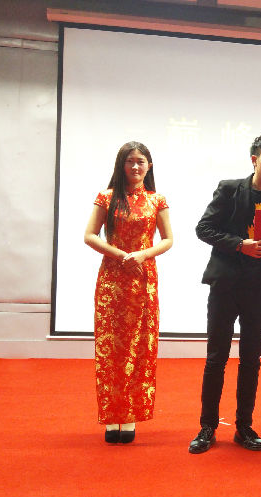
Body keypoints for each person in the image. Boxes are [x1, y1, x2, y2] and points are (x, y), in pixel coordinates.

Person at [189, 133, 261, 453]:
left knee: (251, 359)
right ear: (254, 160)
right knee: (216, 357)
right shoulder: (230, 189)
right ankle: (207, 426)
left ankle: (244, 426)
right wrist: (240, 244)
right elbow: (204, 228)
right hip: (226, 285)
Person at [83, 141, 174, 444]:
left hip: (143, 279)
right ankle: (112, 418)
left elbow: (168, 239)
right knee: (111, 349)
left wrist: (144, 254)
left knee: (140, 346)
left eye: (141, 161)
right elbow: (90, 236)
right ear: (121, 165)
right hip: (112, 280)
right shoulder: (107, 197)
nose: (136, 167)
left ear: (149, 166)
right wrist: (121, 255)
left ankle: (131, 417)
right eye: (130, 161)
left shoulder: (156, 200)